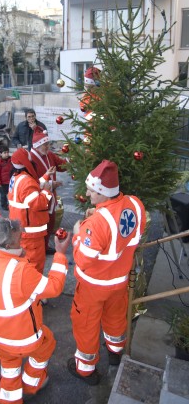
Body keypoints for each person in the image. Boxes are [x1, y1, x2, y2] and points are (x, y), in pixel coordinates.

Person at [68, 160, 146, 385]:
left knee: (86, 324)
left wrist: (77, 233)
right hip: (119, 281)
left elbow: (82, 260)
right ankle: (115, 351)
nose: (87, 193)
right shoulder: (135, 203)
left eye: (91, 190)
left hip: (93, 286)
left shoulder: (96, 223)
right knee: (115, 318)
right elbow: (134, 235)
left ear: (102, 192)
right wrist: (98, 215)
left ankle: (85, 369)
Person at [0, 217, 71, 403]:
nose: (22, 240)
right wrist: (60, 254)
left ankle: (9, 399)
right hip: (23, 338)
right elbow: (54, 288)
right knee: (47, 343)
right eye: (20, 238)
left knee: (9, 366)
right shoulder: (20, 271)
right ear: (10, 243)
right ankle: (32, 383)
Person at [8, 148, 52, 273]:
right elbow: (38, 203)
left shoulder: (17, 177)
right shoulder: (26, 181)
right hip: (32, 237)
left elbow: (33, 187)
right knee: (35, 267)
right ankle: (34, 291)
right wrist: (47, 191)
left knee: (25, 265)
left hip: (22, 232)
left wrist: (46, 175)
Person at [30, 128, 68, 255]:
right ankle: (40, 247)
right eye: (45, 144)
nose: (48, 147)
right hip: (38, 197)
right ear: (37, 146)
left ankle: (45, 246)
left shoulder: (49, 155)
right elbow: (31, 182)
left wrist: (72, 160)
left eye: (48, 144)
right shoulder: (30, 159)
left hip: (51, 195)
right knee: (41, 224)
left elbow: (61, 165)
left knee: (50, 222)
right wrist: (51, 184)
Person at [0, 145, 12, 211]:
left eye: (7, 152)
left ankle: (11, 203)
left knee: (11, 193)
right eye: (4, 153)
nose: (7, 154)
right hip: (3, 183)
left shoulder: (11, 159)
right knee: (3, 195)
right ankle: (4, 205)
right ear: (0, 154)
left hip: (10, 181)